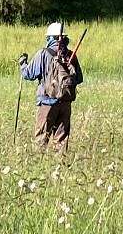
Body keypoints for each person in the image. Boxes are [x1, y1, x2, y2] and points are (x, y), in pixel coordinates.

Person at [19, 21, 82, 149]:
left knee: (41, 140)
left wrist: (22, 63)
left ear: (50, 38)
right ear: (64, 38)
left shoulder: (43, 53)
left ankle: (38, 166)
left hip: (47, 102)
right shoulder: (71, 55)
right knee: (61, 142)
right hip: (65, 103)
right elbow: (79, 78)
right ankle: (61, 167)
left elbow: (28, 74)